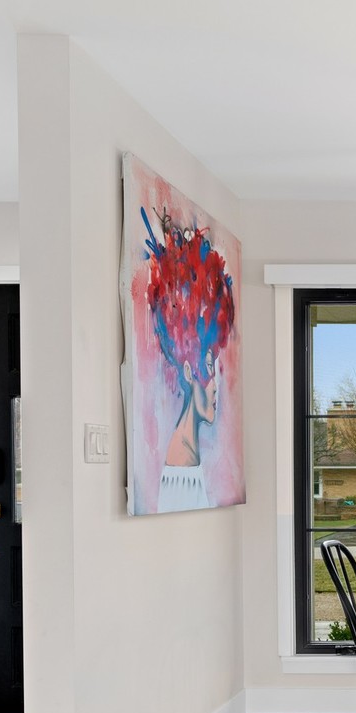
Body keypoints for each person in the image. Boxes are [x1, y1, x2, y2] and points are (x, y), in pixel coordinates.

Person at [142, 207, 235, 512]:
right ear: (187, 370)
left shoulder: (188, 457)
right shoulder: (180, 465)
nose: (216, 385)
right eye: (209, 366)